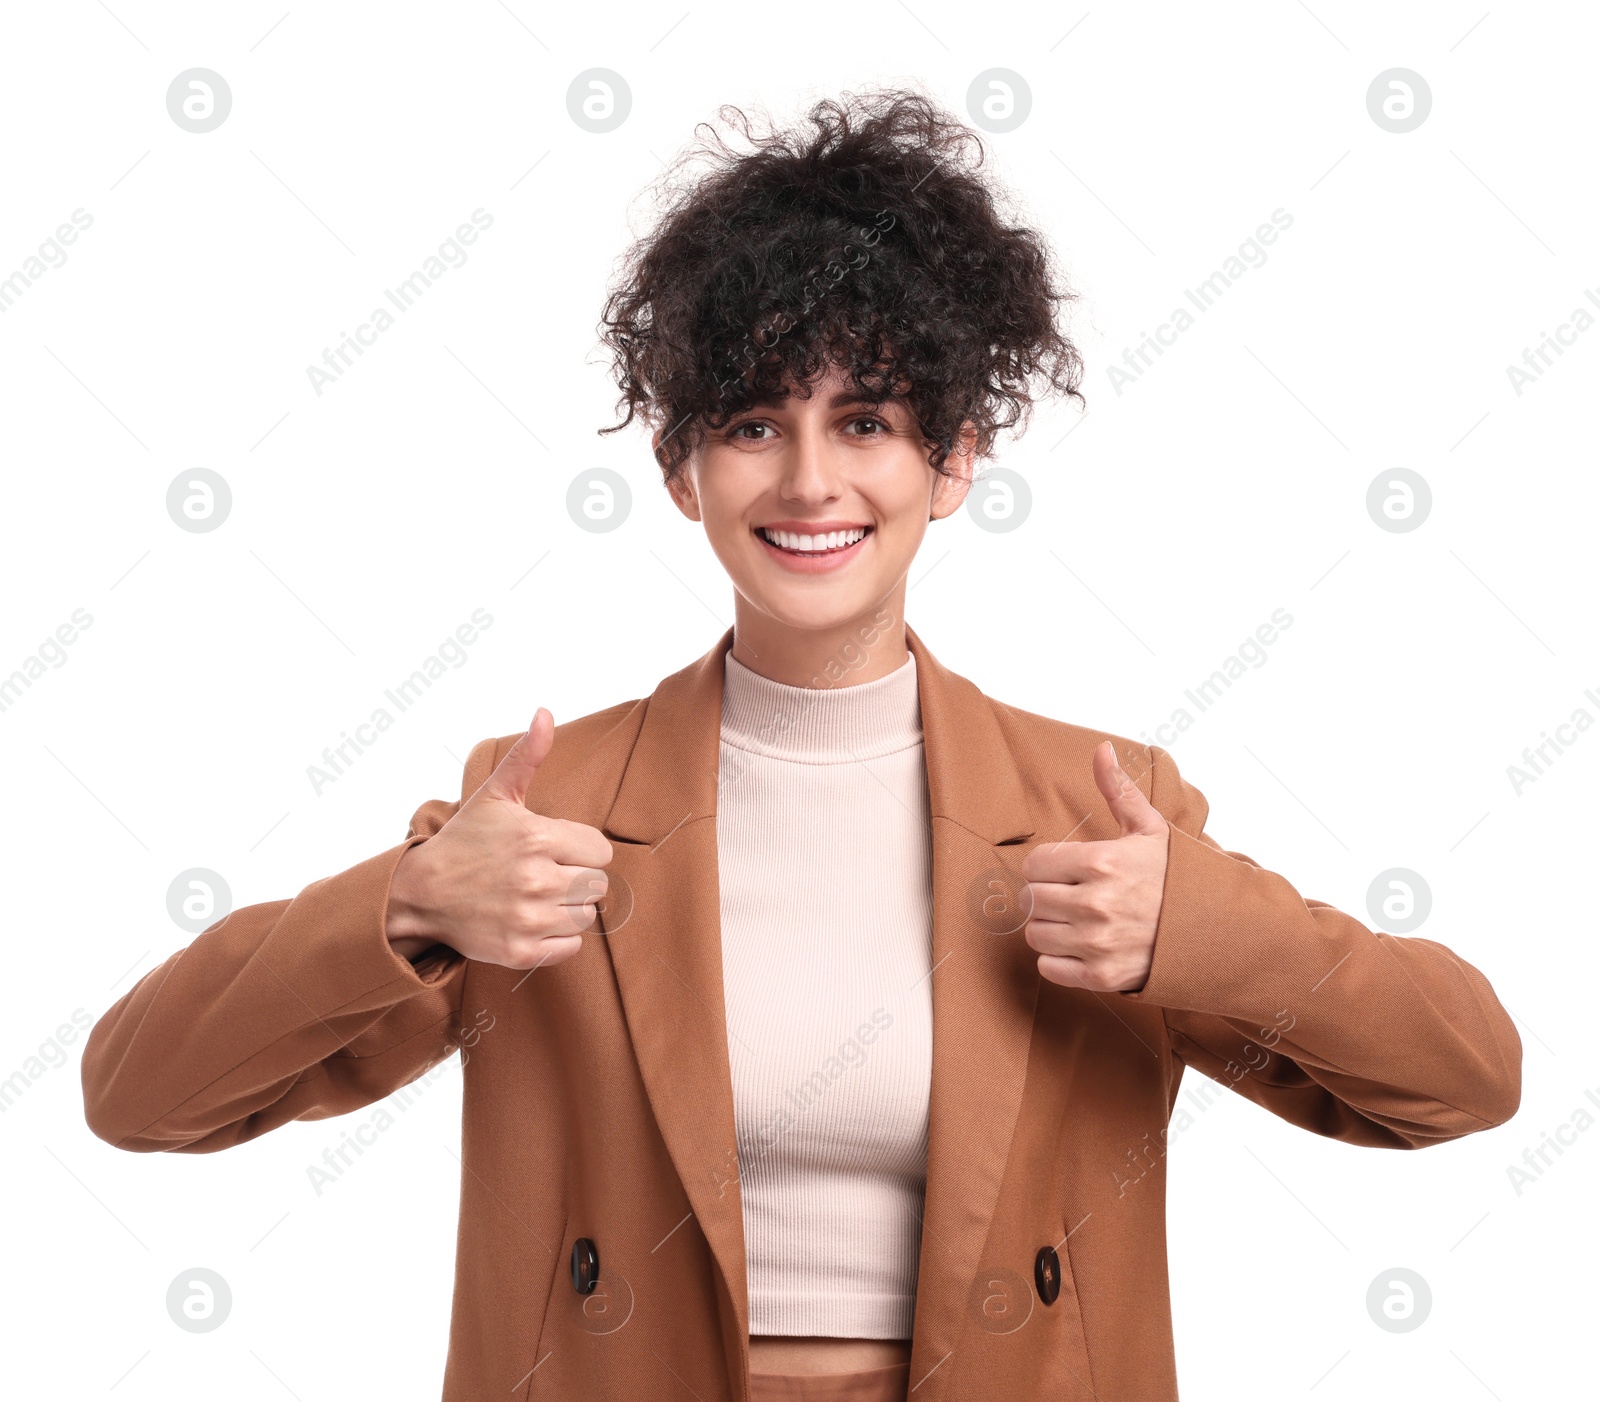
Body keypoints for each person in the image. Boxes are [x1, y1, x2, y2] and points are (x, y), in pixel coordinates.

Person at [82, 86, 1521, 1402]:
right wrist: (402, 906)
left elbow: (1464, 1078)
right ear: (681, 469)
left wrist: (1202, 926)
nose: (813, 479)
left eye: (871, 419)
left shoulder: (1103, 811)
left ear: (954, 460)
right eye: (756, 421)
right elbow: (140, 1091)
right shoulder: (541, 809)